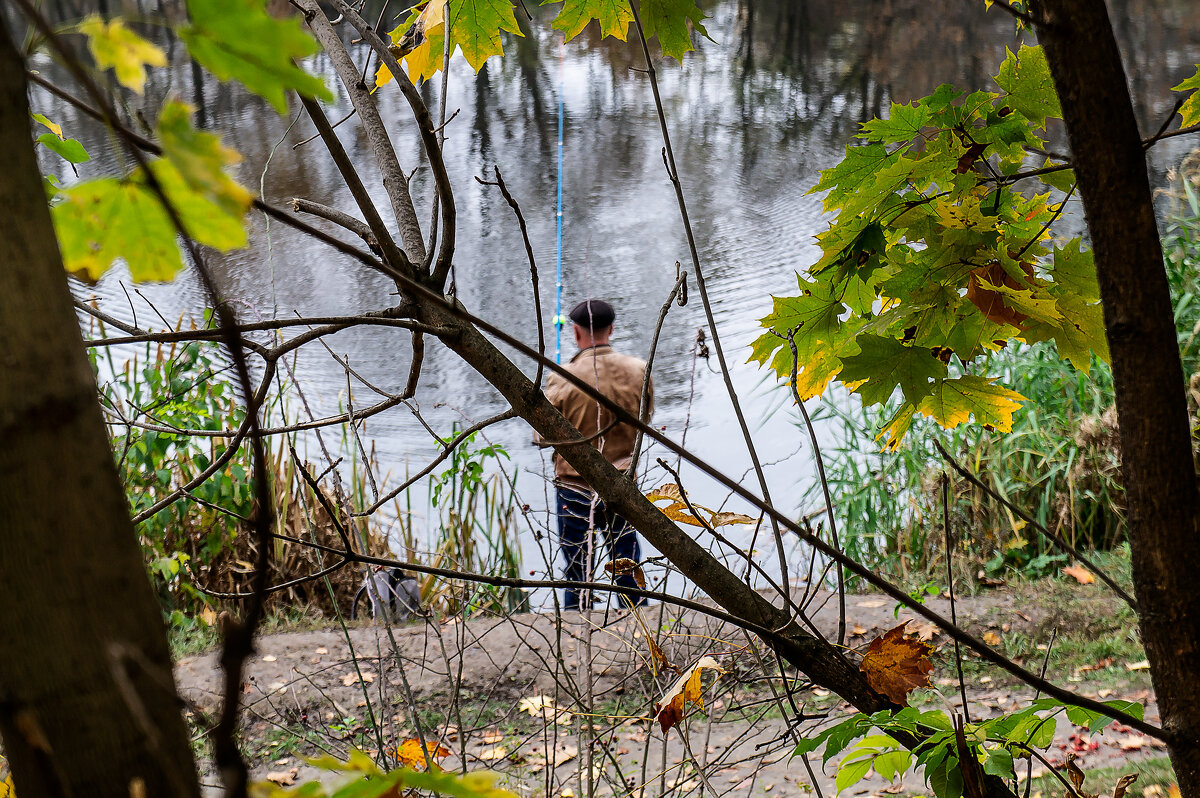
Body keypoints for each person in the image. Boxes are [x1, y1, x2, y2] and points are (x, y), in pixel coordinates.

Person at [540, 299, 652, 610]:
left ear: (575, 333)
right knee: (627, 563)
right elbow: (646, 423)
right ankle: (636, 625)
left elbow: (541, 436)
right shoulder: (639, 370)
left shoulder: (561, 376)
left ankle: (578, 629)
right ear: (611, 329)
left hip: (574, 487)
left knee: (577, 568)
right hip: (623, 482)